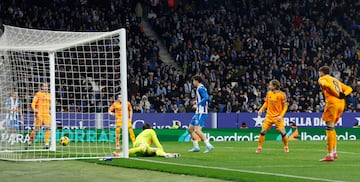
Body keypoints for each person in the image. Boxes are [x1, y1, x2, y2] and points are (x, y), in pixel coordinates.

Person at [318, 66, 353, 162]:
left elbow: (326, 85)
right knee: (332, 128)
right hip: (341, 104)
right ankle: (334, 152)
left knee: (329, 127)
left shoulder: (322, 78)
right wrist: (343, 94)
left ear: (322, 72)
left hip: (332, 104)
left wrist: (336, 94)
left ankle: (330, 154)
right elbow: (349, 88)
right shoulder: (335, 79)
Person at [256, 79, 289, 153]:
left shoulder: (282, 95)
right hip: (269, 116)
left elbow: (285, 106)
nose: (269, 86)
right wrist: (261, 109)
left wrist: (281, 116)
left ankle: (286, 146)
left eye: (270, 85)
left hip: (278, 117)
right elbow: (266, 103)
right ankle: (259, 147)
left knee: (282, 132)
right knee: (263, 131)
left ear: (274, 86)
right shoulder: (269, 93)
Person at [188, 75, 214, 153]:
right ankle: (196, 147)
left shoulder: (201, 88)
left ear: (196, 81)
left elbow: (206, 98)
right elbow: (207, 98)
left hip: (201, 112)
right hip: (198, 112)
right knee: (190, 129)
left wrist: (198, 104)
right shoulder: (201, 88)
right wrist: (197, 101)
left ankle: (208, 145)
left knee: (197, 130)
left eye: (193, 81)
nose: (193, 83)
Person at [26, 83, 51, 149]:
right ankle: (29, 143)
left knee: (47, 128)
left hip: (46, 114)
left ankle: (47, 144)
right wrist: (34, 109)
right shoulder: (38, 94)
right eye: (45, 86)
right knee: (36, 130)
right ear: (42, 87)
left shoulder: (49, 95)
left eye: (47, 86)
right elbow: (33, 102)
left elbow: (50, 104)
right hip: (39, 114)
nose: (46, 87)